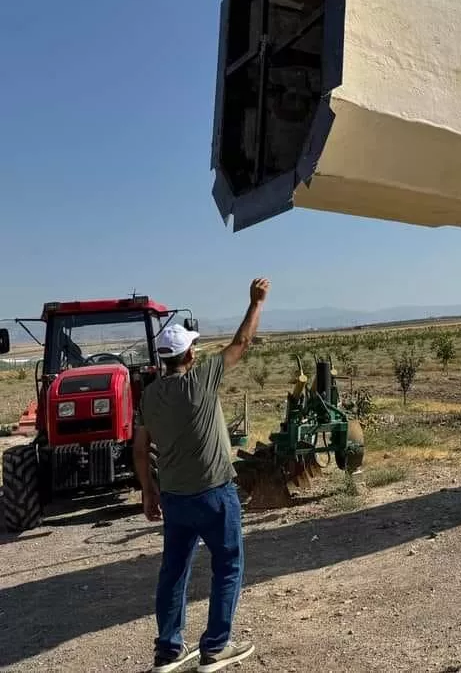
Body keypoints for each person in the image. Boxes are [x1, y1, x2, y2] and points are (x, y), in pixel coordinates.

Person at [135, 278, 270, 673]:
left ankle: (168, 650)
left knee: (174, 570)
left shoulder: (149, 396)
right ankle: (215, 646)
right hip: (214, 493)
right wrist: (256, 303)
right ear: (190, 355)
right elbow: (242, 343)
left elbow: (140, 449)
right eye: (194, 347)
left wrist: (148, 492)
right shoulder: (201, 379)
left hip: (174, 498)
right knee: (228, 563)